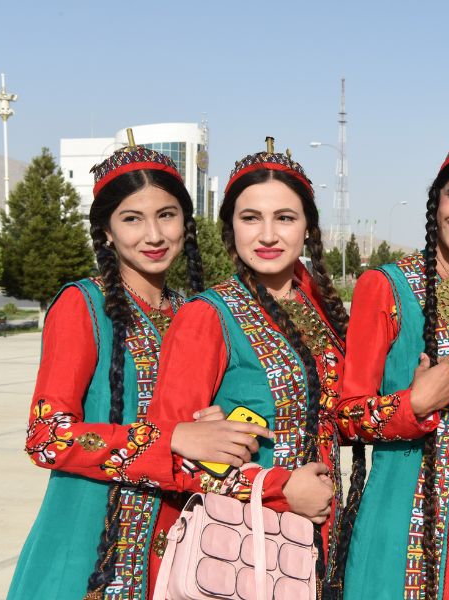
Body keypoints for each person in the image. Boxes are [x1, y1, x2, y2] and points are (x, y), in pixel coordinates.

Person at [146, 138, 352, 596]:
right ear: (231, 228)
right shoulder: (207, 315)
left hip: (321, 538)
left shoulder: (319, 309)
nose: (267, 235)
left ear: (308, 229)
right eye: (250, 218)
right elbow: (164, 451)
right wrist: (279, 487)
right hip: (244, 547)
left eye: (285, 217)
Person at [8, 131, 207, 599]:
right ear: (106, 231)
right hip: (86, 552)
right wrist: (170, 439)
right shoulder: (83, 305)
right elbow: (47, 437)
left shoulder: (195, 312)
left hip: (177, 555)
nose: (154, 235)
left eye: (166, 215)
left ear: (186, 222)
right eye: (132, 219)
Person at [339, 117, 449, 599]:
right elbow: (344, 414)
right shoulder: (385, 287)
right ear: (435, 197)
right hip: (407, 515)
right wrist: (411, 405)